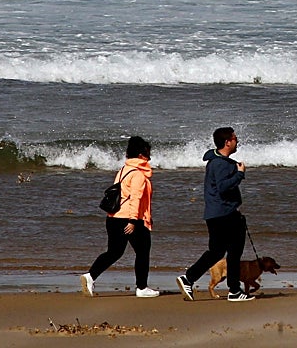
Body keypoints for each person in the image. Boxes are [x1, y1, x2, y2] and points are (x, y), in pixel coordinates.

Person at [176, 127, 254, 301]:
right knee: (233, 251)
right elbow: (223, 187)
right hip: (224, 214)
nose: (237, 141)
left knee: (217, 252)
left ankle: (189, 278)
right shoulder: (220, 163)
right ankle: (234, 291)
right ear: (227, 142)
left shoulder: (218, 161)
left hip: (217, 214)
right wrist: (240, 174)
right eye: (234, 138)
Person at [80, 136, 159, 298]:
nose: (150, 157)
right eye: (148, 153)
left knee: (114, 252)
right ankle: (142, 288)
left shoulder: (124, 170)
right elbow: (135, 198)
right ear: (142, 155)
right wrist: (134, 221)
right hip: (129, 219)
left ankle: (90, 276)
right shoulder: (138, 174)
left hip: (113, 218)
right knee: (143, 251)